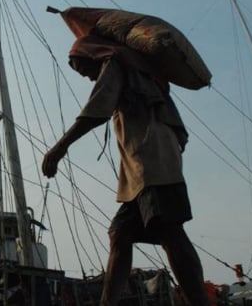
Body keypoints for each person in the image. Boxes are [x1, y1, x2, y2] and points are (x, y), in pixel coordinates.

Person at [41, 35, 209, 305]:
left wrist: (59, 148)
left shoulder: (116, 63)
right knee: (120, 234)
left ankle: (199, 301)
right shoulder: (134, 69)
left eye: (86, 70)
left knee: (170, 231)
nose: (89, 79)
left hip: (151, 159)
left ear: (94, 55)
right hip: (137, 171)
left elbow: (97, 109)